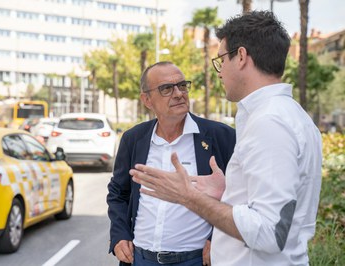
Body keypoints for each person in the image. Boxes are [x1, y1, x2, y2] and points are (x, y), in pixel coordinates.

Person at [130, 11, 322, 266]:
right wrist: (227, 191)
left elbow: (269, 231)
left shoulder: (270, 122)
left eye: (221, 60)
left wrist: (188, 196)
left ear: (241, 57)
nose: (219, 73)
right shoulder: (289, 115)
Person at [107, 61, 236, 266]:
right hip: (140, 259)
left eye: (182, 85)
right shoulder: (133, 139)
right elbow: (118, 193)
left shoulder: (221, 137)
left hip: (196, 260)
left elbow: (239, 194)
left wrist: (217, 238)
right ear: (147, 100)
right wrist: (119, 235)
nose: (178, 93)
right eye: (167, 88)